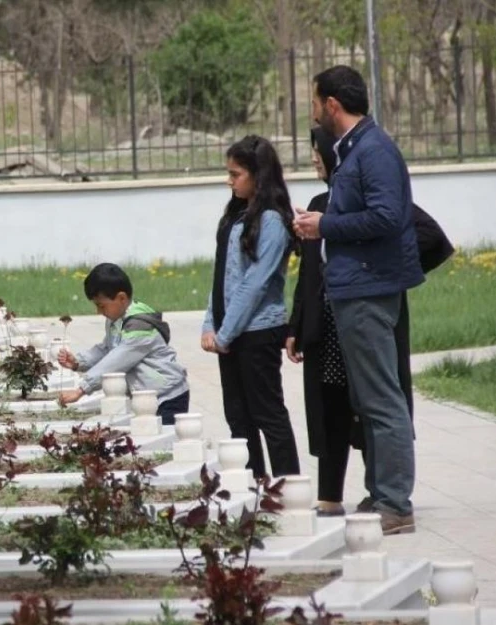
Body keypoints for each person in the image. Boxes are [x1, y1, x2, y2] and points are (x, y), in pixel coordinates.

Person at [293, 65, 425, 535]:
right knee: (367, 398)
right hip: (353, 290)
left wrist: (322, 226)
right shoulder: (354, 151)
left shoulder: (374, 150)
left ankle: (395, 503)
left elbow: (389, 217)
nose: (312, 112)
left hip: (369, 290)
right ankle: (380, 493)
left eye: (314, 103)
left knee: (382, 399)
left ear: (332, 104)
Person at [202, 135, 300, 479]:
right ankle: (253, 485)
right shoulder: (235, 215)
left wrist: (225, 333)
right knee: (238, 416)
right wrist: (209, 324)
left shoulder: (272, 221)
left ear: (258, 175)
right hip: (231, 332)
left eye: (236, 174)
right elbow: (223, 276)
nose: (229, 181)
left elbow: (255, 284)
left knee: (267, 413)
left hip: (258, 332)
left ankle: (288, 488)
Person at [286, 126, 365, 516]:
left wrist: (388, 282)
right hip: (325, 328)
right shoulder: (319, 201)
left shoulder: (360, 202)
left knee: (365, 407)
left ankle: (381, 492)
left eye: (318, 151)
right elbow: (308, 275)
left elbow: (426, 237)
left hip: (359, 322)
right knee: (328, 408)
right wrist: (296, 326)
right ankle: (330, 496)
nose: (314, 159)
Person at [56, 263, 190, 424]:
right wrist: (78, 361)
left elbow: (116, 360)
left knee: (166, 442)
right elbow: (107, 349)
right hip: (147, 396)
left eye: (101, 305)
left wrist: (82, 389)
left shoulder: (139, 327)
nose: (98, 311)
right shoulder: (116, 320)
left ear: (121, 298)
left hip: (168, 395)